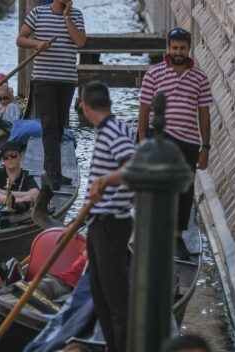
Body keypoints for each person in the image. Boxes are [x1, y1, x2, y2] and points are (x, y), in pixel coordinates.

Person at [137, 27, 213, 259]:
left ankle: (176, 238)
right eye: (174, 47)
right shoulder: (154, 73)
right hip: (159, 138)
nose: (178, 52)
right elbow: (144, 109)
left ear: (188, 49)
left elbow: (204, 114)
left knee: (185, 191)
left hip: (188, 142)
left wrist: (205, 147)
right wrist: (142, 142)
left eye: (182, 48)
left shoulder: (200, 78)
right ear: (168, 48)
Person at [16, 0, 86, 190]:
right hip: (44, 78)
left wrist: (66, 18)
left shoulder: (76, 15)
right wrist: (37, 43)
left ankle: (54, 171)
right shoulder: (39, 13)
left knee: (58, 125)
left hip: (66, 79)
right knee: (49, 125)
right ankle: (53, 173)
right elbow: (20, 39)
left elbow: (80, 42)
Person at [82, 81, 137, 352]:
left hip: (111, 224)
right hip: (98, 223)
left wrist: (104, 181)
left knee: (115, 298)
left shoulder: (115, 131)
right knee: (100, 294)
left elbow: (132, 169)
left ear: (84, 106)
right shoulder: (109, 131)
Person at [0, 141, 39, 209]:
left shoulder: (27, 176)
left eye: (13, 155)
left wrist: (2, 191)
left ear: (20, 156)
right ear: (3, 160)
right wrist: (20, 200)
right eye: (5, 157)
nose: (9, 158)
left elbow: (35, 195)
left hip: (20, 217)